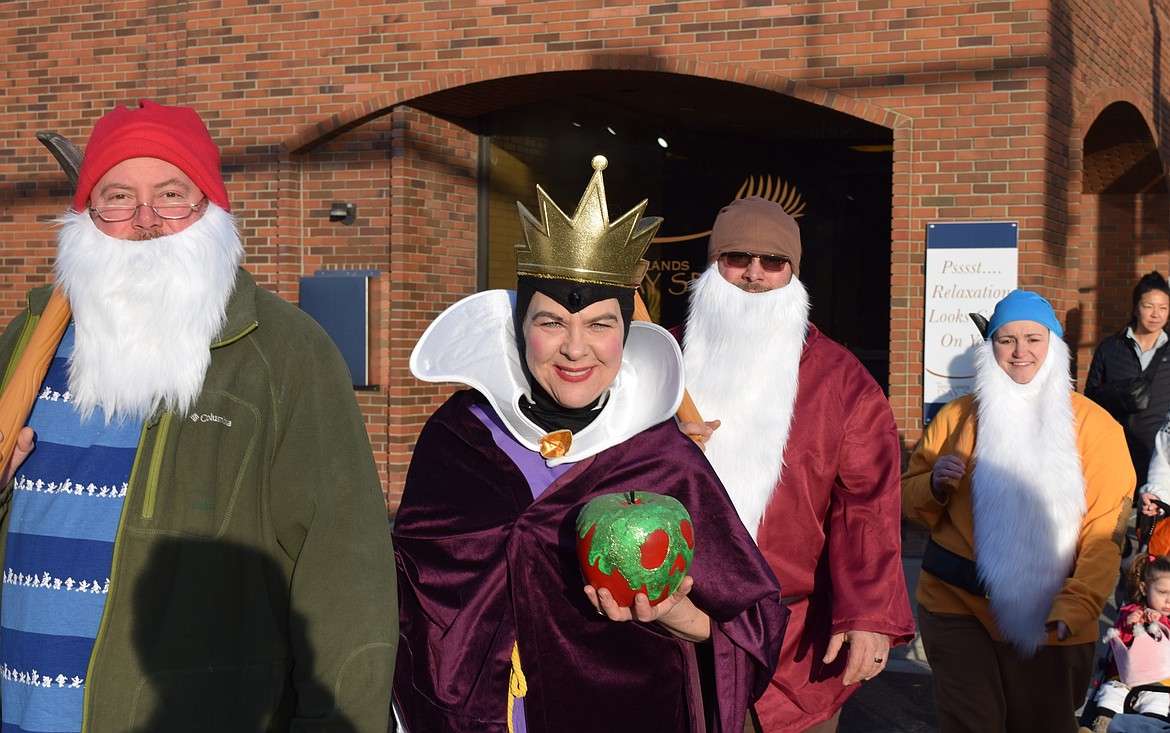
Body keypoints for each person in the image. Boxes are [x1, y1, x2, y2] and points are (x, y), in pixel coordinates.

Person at [0, 99, 397, 731]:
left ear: (210, 209)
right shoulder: (25, 349)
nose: (148, 220)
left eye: (173, 194)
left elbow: (345, 578)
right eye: (118, 197)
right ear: (87, 216)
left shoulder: (285, 354)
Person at [392, 157, 788, 733]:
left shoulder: (660, 458)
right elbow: (409, 588)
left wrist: (677, 613)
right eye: (551, 322)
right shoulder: (459, 439)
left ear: (626, 335)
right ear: (519, 328)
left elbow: (751, 625)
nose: (576, 350)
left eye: (600, 325)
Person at [674, 196, 916, 732]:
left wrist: (870, 615)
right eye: (736, 257)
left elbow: (867, 506)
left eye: (773, 262)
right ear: (714, 265)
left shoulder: (841, 381)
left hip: (789, 644)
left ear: (794, 273)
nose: (754, 275)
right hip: (662, 633)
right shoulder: (657, 362)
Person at [902, 288, 1135, 733]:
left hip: (1053, 615)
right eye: (1006, 340)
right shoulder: (956, 418)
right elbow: (904, 499)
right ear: (990, 347)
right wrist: (933, 486)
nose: (1020, 351)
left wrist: (1079, 602)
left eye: (1033, 338)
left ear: (1054, 345)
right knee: (973, 722)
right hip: (955, 602)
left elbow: (1107, 528)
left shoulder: (1097, 428)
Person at [1086, 271, 1170, 490]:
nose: (1156, 314)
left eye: (1163, 307)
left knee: (1153, 522)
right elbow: (1091, 398)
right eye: (1149, 306)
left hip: (1159, 462)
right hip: (1115, 452)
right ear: (1135, 308)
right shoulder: (1110, 348)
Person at [1090, 553, 1170, 732]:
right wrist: (1129, 625)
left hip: (1158, 680)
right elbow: (1118, 642)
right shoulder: (1132, 612)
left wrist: (1160, 624)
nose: (1168, 600)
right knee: (1111, 692)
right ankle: (1103, 725)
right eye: (1162, 592)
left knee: (1158, 701)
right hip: (1126, 677)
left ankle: (1149, 727)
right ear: (1144, 588)